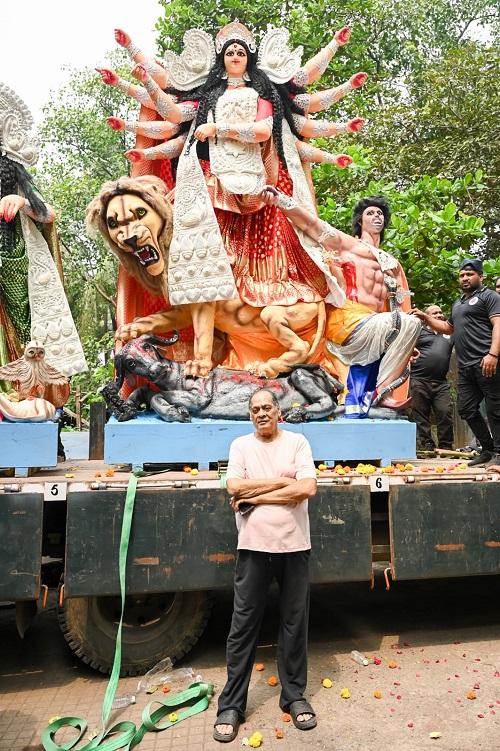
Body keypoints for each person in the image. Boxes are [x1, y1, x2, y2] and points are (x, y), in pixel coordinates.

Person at [214, 388, 317, 743]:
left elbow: (307, 489)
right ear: (251, 415)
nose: (261, 413)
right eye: (255, 409)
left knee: (294, 622)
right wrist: (280, 482)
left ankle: (294, 697)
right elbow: (233, 486)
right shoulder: (241, 446)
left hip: (294, 546)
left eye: (267, 408)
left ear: (278, 412)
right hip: (253, 547)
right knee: (243, 625)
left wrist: (253, 496)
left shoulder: (297, 443)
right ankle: (231, 704)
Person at [261, 188, 421, 413]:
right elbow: (310, 225)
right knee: (409, 323)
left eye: (380, 214)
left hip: (379, 324)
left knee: (411, 324)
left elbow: (401, 305)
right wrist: (280, 199)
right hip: (348, 320)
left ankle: (381, 393)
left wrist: (406, 342)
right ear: (360, 221)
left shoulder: (391, 263)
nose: (377, 217)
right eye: (371, 213)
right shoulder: (348, 245)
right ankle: (380, 393)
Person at [411, 259, 500, 468]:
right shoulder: (458, 303)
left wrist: (493, 354)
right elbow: (447, 327)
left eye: (469, 274)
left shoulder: (490, 297)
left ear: (480, 276)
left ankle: (499, 453)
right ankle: (487, 449)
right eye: (461, 275)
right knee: (466, 409)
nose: (465, 278)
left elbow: (498, 324)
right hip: (466, 367)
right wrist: (425, 317)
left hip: (487, 362)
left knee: (495, 410)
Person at [410, 304, 454, 451]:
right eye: (434, 313)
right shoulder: (419, 331)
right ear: (426, 317)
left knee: (445, 413)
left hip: (441, 382)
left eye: (440, 312)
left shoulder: (449, 333)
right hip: (419, 380)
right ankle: (426, 446)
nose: (439, 315)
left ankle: (446, 447)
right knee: (421, 415)